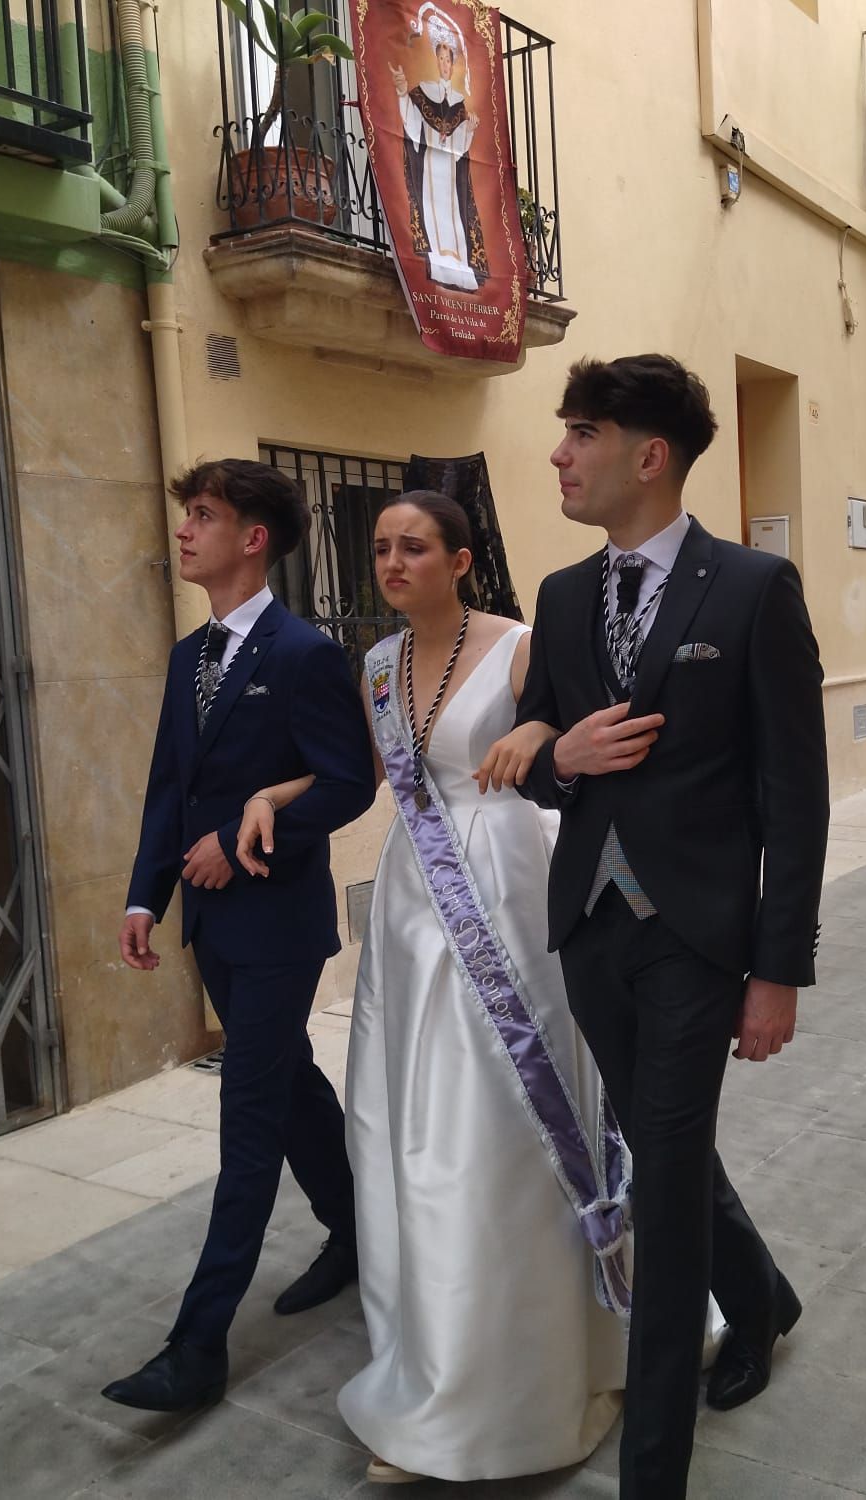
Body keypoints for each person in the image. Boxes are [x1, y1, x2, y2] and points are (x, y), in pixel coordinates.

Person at [249, 493, 627, 1486]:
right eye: (379, 547)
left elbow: (582, 726)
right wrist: (274, 792)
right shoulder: (375, 665)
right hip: (415, 913)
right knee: (408, 1126)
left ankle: (522, 1373)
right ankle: (437, 1358)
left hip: (504, 893)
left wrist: (538, 730)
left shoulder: (516, 643)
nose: (392, 561)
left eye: (413, 546)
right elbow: (362, 779)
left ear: (460, 560)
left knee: (495, 1127)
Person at [513, 355, 829, 1500]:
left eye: (579, 432)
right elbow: (535, 765)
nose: (558, 451)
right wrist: (558, 756)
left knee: (659, 1183)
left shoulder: (749, 588)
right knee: (663, 1147)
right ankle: (763, 1300)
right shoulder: (557, 597)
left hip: (697, 938)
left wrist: (775, 971)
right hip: (591, 930)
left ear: (647, 456)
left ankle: (653, 1473)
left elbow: (794, 796)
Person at [104, 461, 377, 1413]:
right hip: (210, 924)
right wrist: (147, 897)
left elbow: (350, 782)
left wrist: (241, 837)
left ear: (253, 537)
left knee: (249, 1118)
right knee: (286, 1078)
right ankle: (358, 1234)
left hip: (276, 925)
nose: (185, 531)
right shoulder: (190, 656)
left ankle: (198, 1344)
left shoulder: (301, 654)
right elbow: (167, 788)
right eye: (188, 515)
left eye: (205, 516)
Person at [389, 5, 487, 293]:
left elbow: (461, 146)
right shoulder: (422, 91)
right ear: (435, 60)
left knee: (454, 213)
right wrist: (402, 92)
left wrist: (468, 128)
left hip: (450, 170)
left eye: (448, 60)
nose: (444, 64)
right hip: (431, 164)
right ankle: (437, 259)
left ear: (453, 64)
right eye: (441, 58)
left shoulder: (459, 101)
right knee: (433, 211)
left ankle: (459, 267)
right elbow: (413, 128)